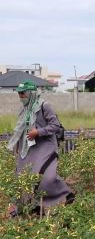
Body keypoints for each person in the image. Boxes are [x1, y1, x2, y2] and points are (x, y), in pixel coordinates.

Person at [7, 80, 74, 217]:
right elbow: (21, 131)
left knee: (46, 178)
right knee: (23, 178)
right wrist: (19, 149)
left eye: (23, 94)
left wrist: (38, 132)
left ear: (30, 93)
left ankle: (66, 195)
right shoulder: (25, 109)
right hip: (29, 149)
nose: (21, 97)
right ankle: (32, 207)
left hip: (45, 146)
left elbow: (55, 126)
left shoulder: (44, 106)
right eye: (19, 94)